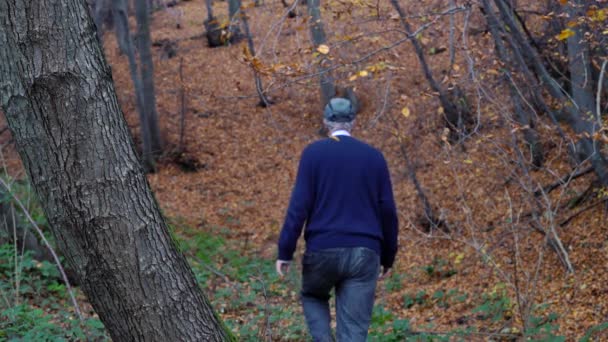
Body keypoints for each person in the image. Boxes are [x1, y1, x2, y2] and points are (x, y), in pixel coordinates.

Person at [276, 97, 399, 341]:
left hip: (322, 248)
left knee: (313, 296)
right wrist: (388, 257)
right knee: (354, 332)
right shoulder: (374, 157)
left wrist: (285, 251)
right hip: (365, 252)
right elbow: (388, 211)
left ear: (325, 121)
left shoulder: (313, 154)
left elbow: (299, 206)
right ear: (353, 122)